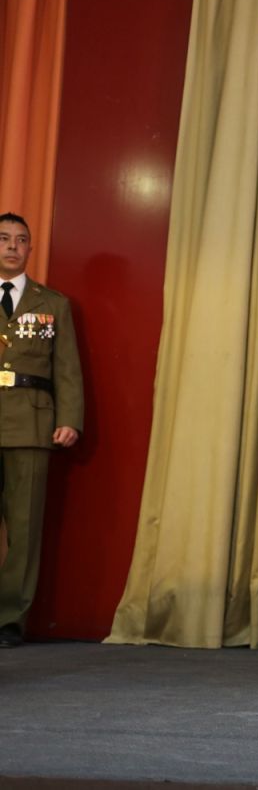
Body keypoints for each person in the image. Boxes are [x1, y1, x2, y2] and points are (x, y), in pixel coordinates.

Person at [0, 212, 84, 648]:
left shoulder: (52, 304)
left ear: (30, 249)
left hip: (31, 423)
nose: (13, 246)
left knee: (25, 529)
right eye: (4, 238)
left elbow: (66, 367)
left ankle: (8, 620)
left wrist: (69, 417)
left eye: (21, 240)